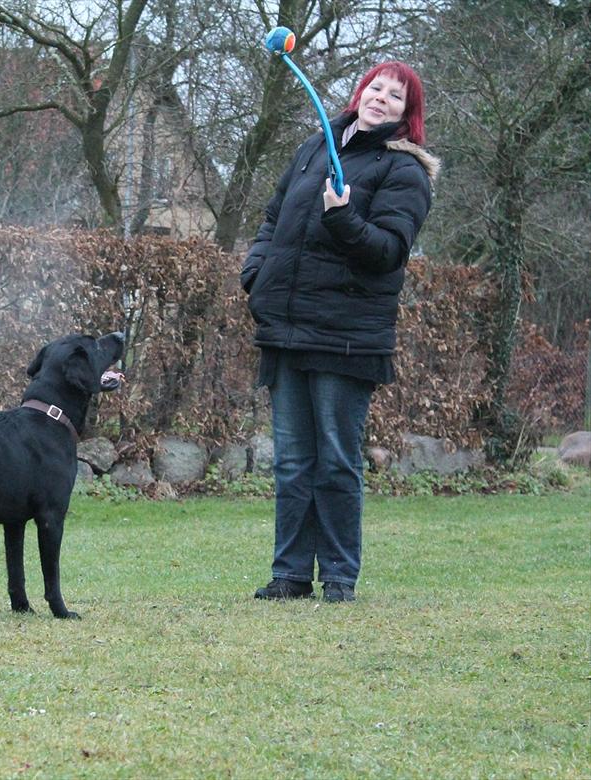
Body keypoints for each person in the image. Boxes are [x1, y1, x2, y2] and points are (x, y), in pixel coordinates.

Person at [239, 61, 440, 603]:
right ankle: (290, 574)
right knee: (292, 462)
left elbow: (389, 251)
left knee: (335, 460)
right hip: (285, 329)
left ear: (407, 115)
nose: (381, 99)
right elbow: (271, 217)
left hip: (346, 339)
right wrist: (255, 274)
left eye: (396, 97)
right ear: (361, 92)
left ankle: (340, 577)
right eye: (376, 88)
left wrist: (343, 216)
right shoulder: (314, 148)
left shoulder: (405, 172)